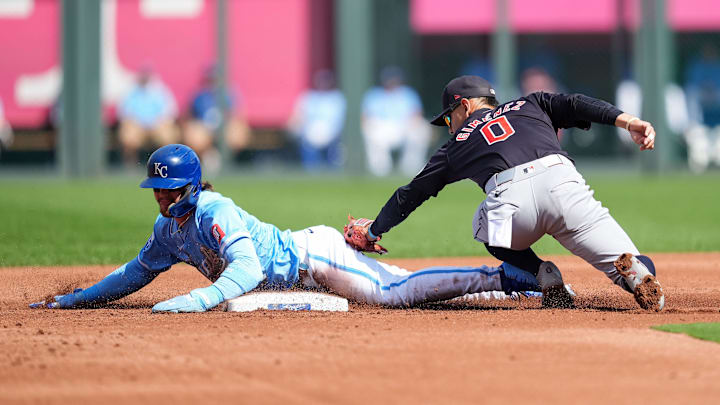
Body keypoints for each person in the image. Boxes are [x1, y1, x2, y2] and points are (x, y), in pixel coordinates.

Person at [29, 144, 545, 313]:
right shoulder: (169, 228)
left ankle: (505, 278)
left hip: (314, 257)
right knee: (399, 283)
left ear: (189, 186)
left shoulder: (215, 210)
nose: (160, 196)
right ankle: (517, 287)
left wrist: (197, 300)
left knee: (395, 293)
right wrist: (77, 299)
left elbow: (249, 267)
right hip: (303, 271)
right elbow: (135, 273)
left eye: (167, 188)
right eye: (156, 190)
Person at [358, 75, 665, 311]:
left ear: (465, 105)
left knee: (486, 229)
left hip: (511, 203)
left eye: (449, 117)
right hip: (564, 185)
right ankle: (636, 274)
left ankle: (541, 272)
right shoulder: (532, 103)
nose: (449, 127)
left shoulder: (456, 144)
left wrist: (372, 231)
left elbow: (411, 193)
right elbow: (576, 103)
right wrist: (629, 121)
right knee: (627, 264)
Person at [361, 66, 431, 177]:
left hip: (404, 126)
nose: (391, 82)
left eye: (394, 79)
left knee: (422, 128)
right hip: (382, 128)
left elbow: (417, 114)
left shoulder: (408, 93)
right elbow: (365, 117)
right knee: (370, 128)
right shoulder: (374, 94)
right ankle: (379, 169)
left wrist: (412, 122)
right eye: (389, 79)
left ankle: (411, 166)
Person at [183, 66, 251, 174]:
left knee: (237, 133)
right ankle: (209, 156)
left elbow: (237, 115)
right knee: (195, 135)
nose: (213, 82)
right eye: (211, 79)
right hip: (204, 127)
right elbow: (189, 117)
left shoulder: (229, 94)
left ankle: (225, 159)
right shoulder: (199, 96)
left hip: (224, 127)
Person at [118, 66, 179, 168]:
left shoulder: (161, 91)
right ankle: (130, 165)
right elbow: (124, 113)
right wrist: (135, 123)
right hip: (137, 126)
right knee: (128, 134)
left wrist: (159, 122)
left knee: (167, 135)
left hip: (157, 126)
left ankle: (166, 165)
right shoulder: (131, 91)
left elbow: (170, 112)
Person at [287, 70, 346, 171]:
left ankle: (332, 169)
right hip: (310, 133)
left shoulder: (337, 98)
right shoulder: (308, 97)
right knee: (308, 141)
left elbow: (340, 121)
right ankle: (312, 169)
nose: (323, 84)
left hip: (332, 133)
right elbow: (298, 116)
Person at [684, 43, 720, 173]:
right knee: (692, 95)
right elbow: (693, 88)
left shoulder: (718, 66)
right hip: (698, 119)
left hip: (716, 111)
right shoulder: (697, 67)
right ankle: (700, 155)